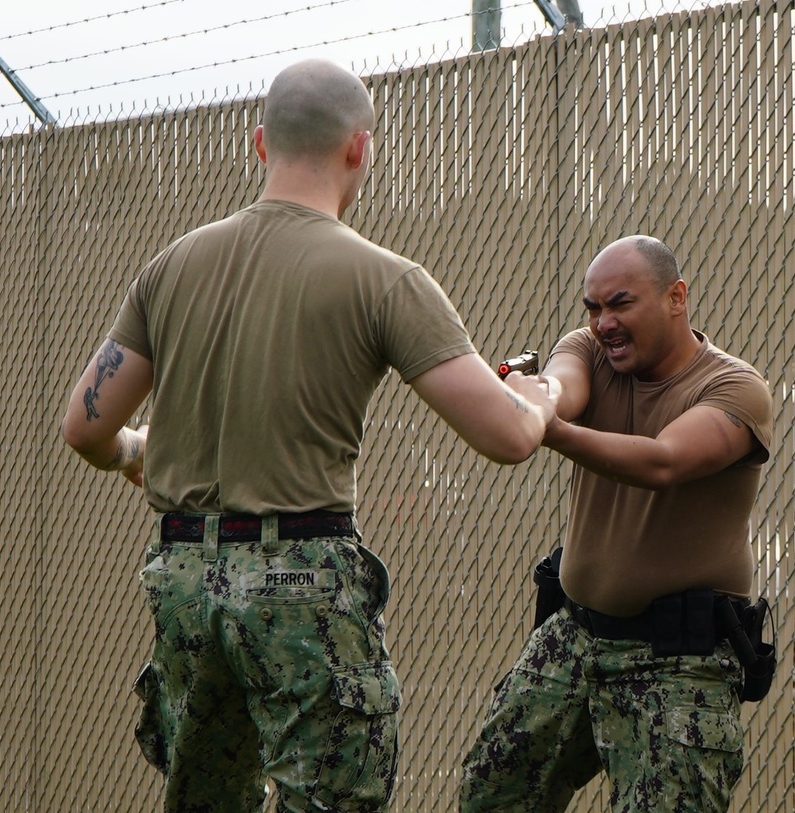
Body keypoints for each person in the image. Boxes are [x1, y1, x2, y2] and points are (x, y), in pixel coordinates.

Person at [60, 58, 558, 813]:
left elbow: (85, 426)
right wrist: (543, 394)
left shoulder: (170, 267)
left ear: (260, 143)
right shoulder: (384, 279)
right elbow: (508, 436)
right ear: (361, 148)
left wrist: (136, 451)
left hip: (184, 579)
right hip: (300, 584)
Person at [459, 235, 773, 813]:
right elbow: (564, 386)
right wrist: (537, 401)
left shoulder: (733, 389)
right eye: (594, 307)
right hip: (573, 635)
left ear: (676, 297)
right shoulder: (589, 350)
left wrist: (546, 429)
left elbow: (664, 461)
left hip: (678, 661)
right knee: (493, 792)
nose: (604, 323)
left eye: (621, 304)